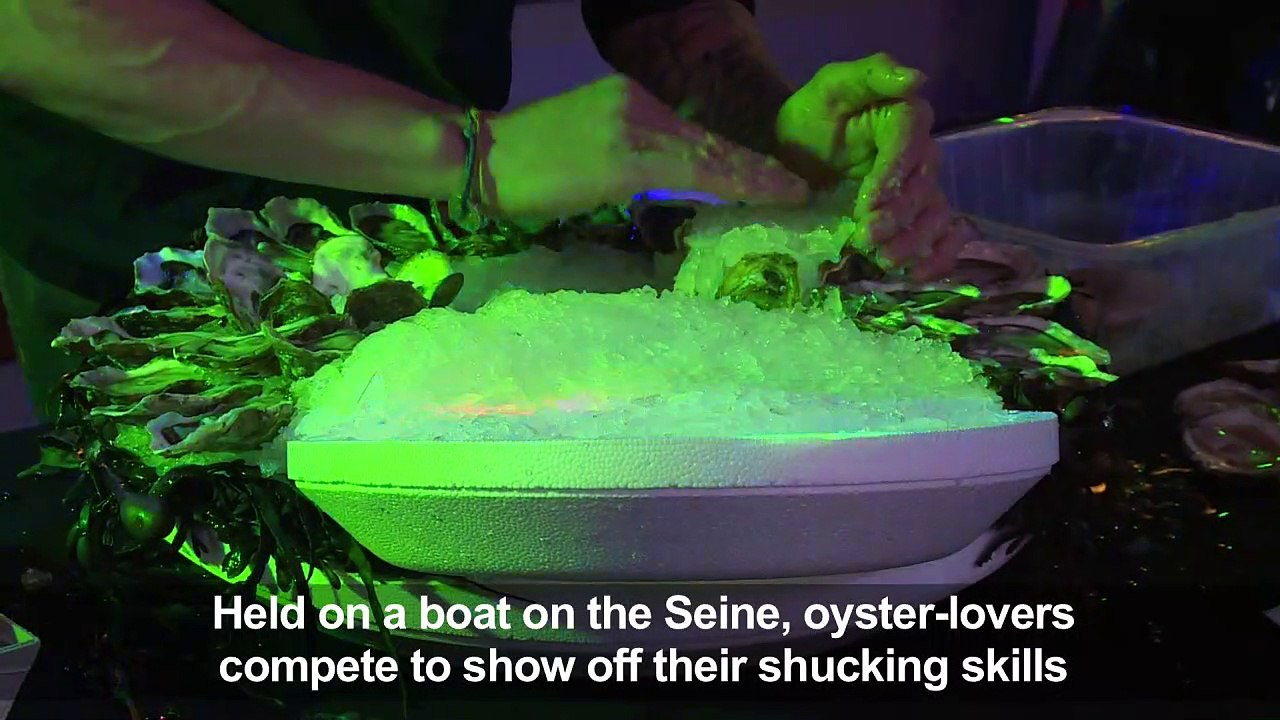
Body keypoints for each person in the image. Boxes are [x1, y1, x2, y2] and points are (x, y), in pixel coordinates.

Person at [0, 0, 967, 418]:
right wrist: (474, 151)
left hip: (453, 250)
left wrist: (765, 126)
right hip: (150, 274)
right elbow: (38, 23)